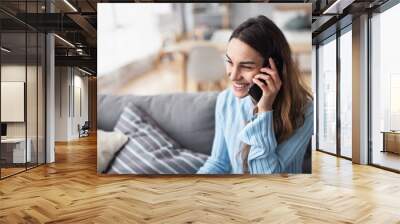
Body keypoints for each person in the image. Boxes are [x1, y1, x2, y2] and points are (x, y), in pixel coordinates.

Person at [197, 15, 313, 174]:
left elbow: (267, 179)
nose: (233, 75)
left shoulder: (306, 110)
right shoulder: (225, 100)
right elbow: (218, 163)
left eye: (246, 66)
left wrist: (264, 110)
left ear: (273, 69)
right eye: (230, 62)